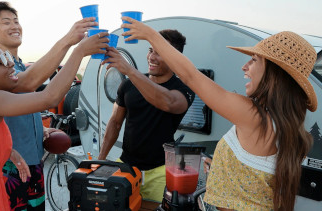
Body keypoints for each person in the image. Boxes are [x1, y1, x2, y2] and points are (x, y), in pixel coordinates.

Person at [120, 17, 317, 211]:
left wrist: (151, 35)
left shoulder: (253, 116)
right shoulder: (285, 126)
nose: (245, 66)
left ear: (275, 74)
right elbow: (256, 181)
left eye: (254, 60)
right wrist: (222, 169)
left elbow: (190, 76)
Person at [0, 33, 108, 210]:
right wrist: (79, 52)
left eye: (8, 57)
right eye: (2, 60)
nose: (11, 63)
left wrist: (9, 152)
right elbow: (49, 98)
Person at [0, 2, 97, 210]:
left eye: (16, 21)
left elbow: (17, 109)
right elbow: (33, 86)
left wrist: (40, 129)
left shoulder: (18, 64)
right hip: (11, 166)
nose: (15, 26)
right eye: (6, 22)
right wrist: (72, 45)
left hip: (33, 161)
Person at [98, 29, 195, 202]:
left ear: (174, 58)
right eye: (150, 50)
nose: (151, 57)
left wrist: (129, 70)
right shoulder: (128, 86)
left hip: (161, 171)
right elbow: (115, 123)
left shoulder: (183, 91)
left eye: (159, 52)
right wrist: (101, 160)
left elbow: (168, 102)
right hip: (126, 166)